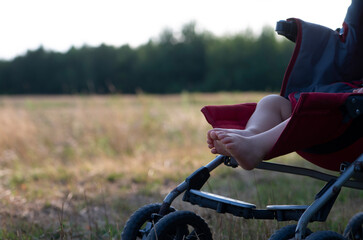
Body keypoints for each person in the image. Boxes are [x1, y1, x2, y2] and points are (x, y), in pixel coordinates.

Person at [207, 88, 363, 171]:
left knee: (315, 114)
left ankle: (255, 147)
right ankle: (251, 134)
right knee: (272, 102)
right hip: (340, 115)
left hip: (348, 137)